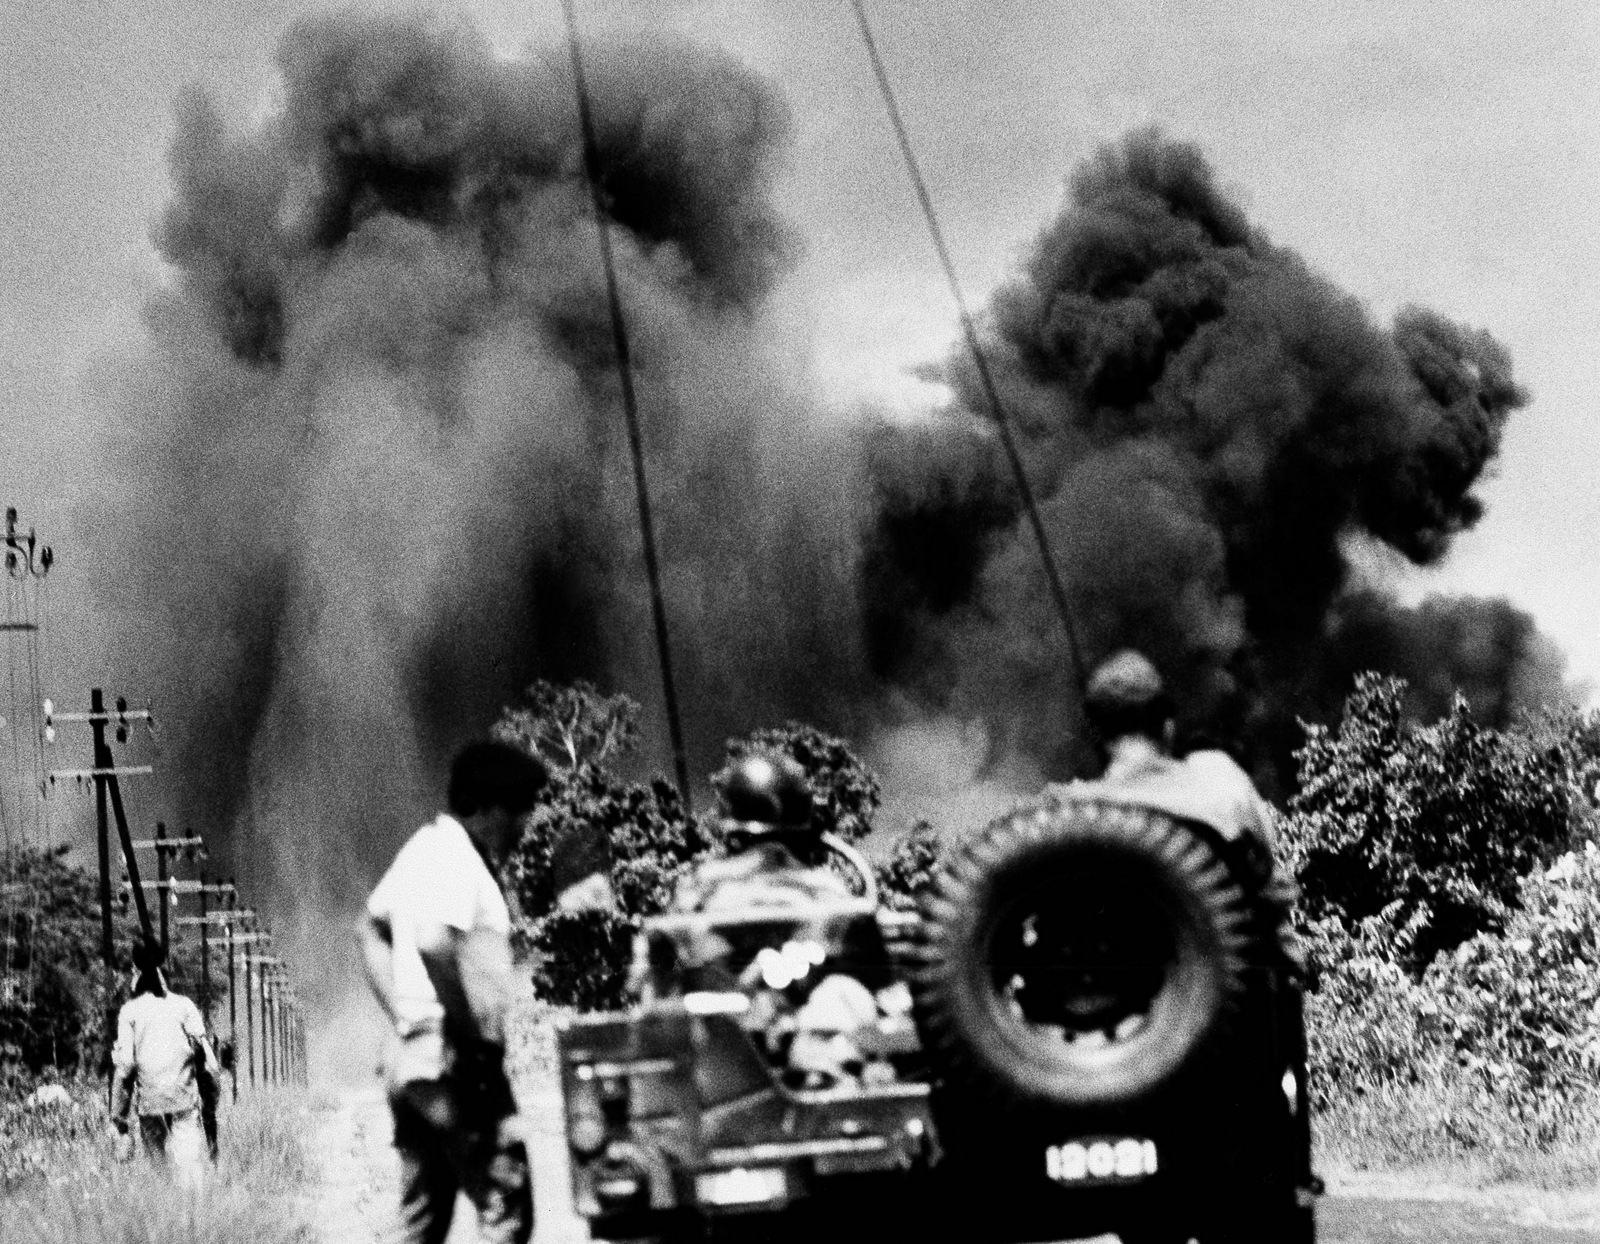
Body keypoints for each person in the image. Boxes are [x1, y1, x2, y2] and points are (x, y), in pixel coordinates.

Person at [360, 740, 549, 1244]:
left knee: (422, 1223)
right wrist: (470, 1037)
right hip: (454, 1059)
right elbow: (434, 943)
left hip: (412, 1060)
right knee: (505, 1208)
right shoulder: (457, 857)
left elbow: (369, 930)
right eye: (520, 808)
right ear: (486, 807)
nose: (526, 823)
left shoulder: (423, 846)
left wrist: (405, 1015)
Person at [1064, 649, 1299, 963]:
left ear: (1096, 736)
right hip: (1235, 994)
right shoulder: (1220, 781)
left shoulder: (1070, 814)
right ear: (1167, 725)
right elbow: (1272, 886)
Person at [109, 937, 221, 1184]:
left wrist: (119, 1121)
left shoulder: (129, 1011)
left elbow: (125, 1066)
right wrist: (210, 1105)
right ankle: (194, 1218)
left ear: (135, 971)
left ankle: (166, 1215)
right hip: (183, 1101)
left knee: (160, 1176)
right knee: (189, 1175)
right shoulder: (184, 1006)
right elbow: (210, 1062)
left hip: (150, 1104)